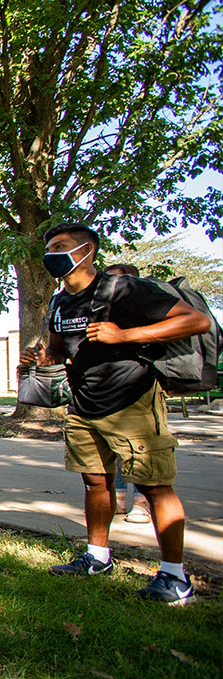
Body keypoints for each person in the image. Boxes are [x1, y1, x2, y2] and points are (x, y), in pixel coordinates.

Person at [23, 222, 208, 604]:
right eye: (49, 247)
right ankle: (98, 557)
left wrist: (125, 335)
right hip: (83, 404)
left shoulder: (121, 289)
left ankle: (175, 577)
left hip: (132, 400)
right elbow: (59, 350)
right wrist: (43, 357)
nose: (51, 253)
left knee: (154, 486)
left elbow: (195, 321)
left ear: (87, 251)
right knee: (95, 483)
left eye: (61, 245)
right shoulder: (60, 302)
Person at [101, 263, 153, 526]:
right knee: (116, 452)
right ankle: (120, 498)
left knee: (140, 455)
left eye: (119, 282)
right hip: (105, 394)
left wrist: (123, 336)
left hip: (139, 393)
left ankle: (142, 503)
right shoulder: (102, 311)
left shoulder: (146, 309)